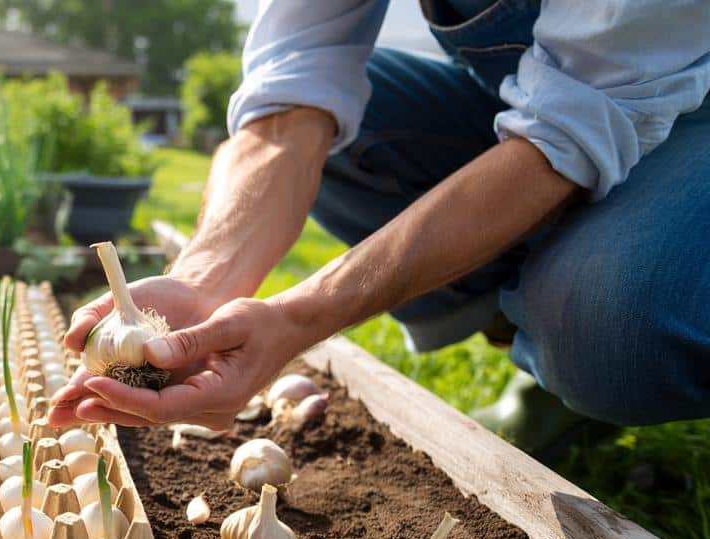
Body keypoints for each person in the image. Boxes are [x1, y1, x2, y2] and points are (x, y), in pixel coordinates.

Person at [49, 0, 710, 452]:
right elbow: (289, 97)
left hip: (679, 111)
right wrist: (203, 281)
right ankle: (538, 329)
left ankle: (571, 329)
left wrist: (300, 317)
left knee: (604, 317)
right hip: (553, 104)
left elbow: (570, 127)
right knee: (342, 128)